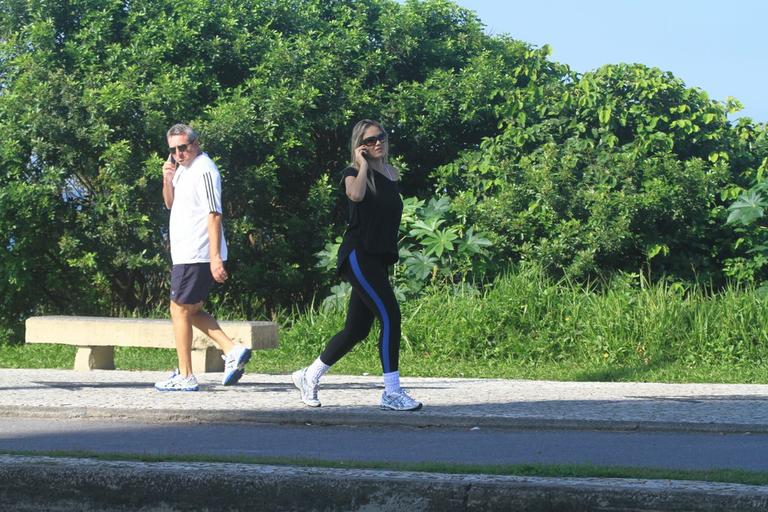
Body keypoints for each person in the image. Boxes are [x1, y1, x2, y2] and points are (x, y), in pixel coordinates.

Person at [292, 119, 422, 411]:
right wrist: (362, 164)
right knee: (390, 316)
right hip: (358, 255)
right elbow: (356, 195)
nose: (378, 143)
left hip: (378, 257)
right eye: (370, 140)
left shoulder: (392, 173)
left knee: (357, 330)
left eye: (381, 137)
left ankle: (308, 375)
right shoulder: (352, 173)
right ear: (359, 145)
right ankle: (391, 392)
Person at [154, 123, 251, 391]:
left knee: (179, 309)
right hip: (184, 252)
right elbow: (169, 203)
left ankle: (186, 375)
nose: (178, 154)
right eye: (173, 150)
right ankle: (232, 350)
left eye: (183, 148)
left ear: (196, 144)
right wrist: (167, 178)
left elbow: (214, 213)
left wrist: (215, 257)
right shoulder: (182, 169)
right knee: (192, 310)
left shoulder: (205, 169)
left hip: (196, 252)